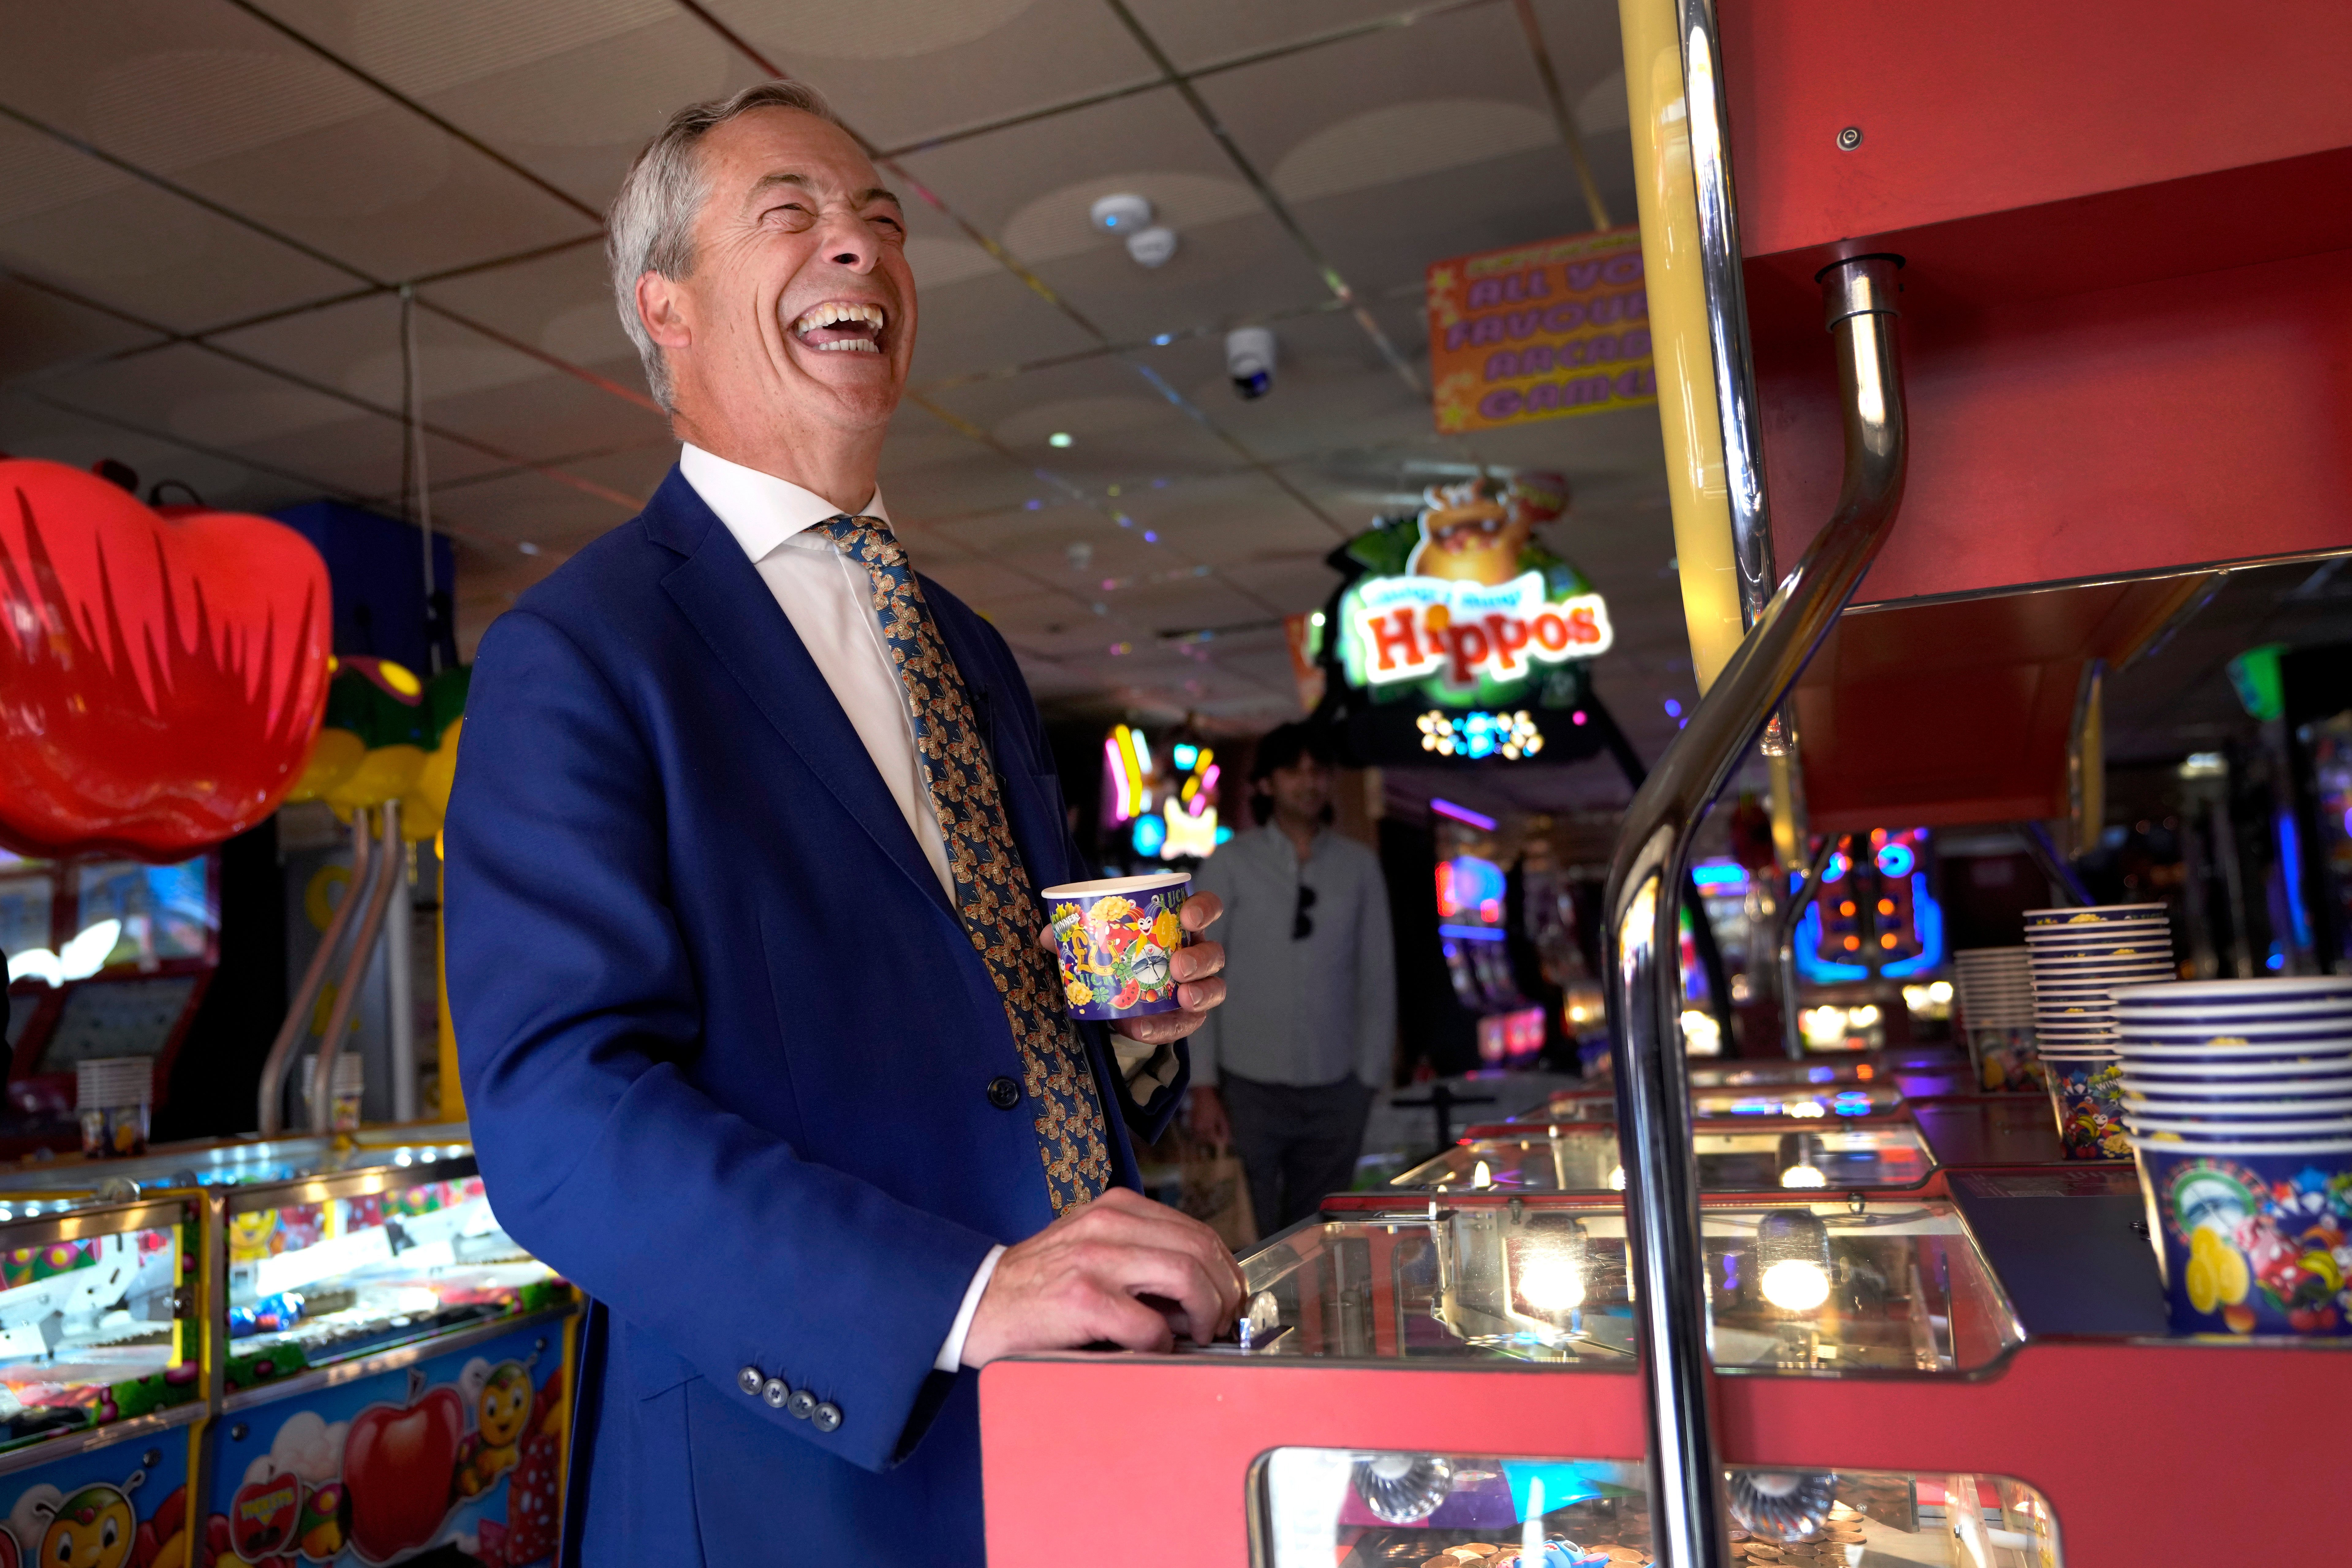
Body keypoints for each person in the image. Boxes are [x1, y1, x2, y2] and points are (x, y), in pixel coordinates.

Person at [442, 82, 1238, 1566]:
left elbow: (986, 1009)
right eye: (791, 215)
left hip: (1083, 1429)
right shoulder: (582, 648)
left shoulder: (967, 643)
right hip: (794, 1481)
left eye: (878, 217)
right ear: (662, 306)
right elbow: (559, 1110)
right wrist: (952, 1296)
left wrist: (1130, 1019)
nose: (861, 247)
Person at [1187, 722, 1396, 1236]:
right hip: (1246, 1085)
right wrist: (1203, 1086)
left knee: (1320, 1234)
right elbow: (1197, 972)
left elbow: (1377, 973)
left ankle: (1312, 1320)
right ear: (1266, 783)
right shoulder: (1230, 863)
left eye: (1319, 770)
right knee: (1243, 1233)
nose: (1309, 781)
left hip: (1338, 1085)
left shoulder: (1358, 865)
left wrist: (1368, 1079)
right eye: (1293, 769)